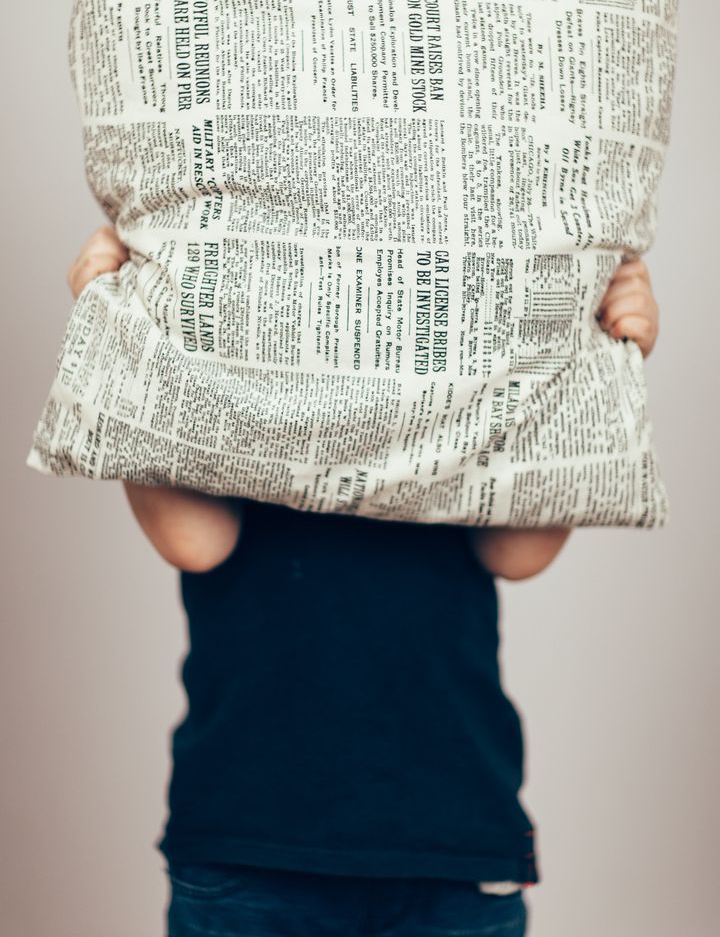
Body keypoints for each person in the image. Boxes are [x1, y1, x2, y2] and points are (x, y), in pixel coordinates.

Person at [67, 226, 659, 937]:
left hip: (451, 838)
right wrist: (121, 336)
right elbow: (195, 542)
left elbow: (516, 552)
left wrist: (594, 350)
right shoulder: (236, 366)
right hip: (250, 839)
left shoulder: (465, 383)